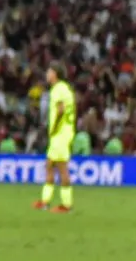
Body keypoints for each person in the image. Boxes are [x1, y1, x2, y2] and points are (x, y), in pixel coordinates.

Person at [33, 63, 76, 213]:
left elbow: (60, 110)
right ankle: (45, 202)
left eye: (49, 71)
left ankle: (66, 205)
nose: (47, 74)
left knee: (62, 167)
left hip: (61, 133)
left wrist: (55, 128)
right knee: (50, 165)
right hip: (62, 132)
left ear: (55, 74)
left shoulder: (58, 89)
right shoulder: (64, 89)